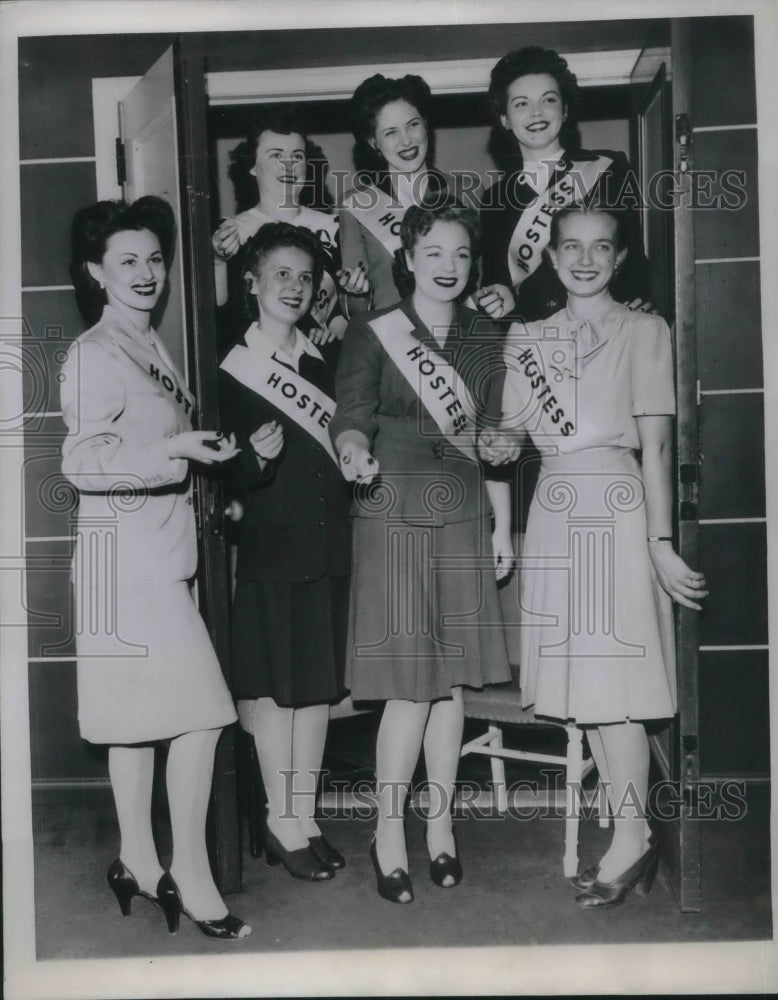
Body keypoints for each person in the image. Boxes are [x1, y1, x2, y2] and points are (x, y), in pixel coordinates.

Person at [481, 205, 708, 909]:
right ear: (549, 259)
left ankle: (632, 832)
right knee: (590, 692)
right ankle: (630, 828)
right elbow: (510, 435)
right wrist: (494, 445)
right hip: (553, 507)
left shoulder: (646, 330)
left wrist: (660, 542)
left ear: (618, 258)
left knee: (615, 687)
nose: (585, 260)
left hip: (614, 505)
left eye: (600, 248)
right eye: (571, 248)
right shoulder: (525, 336)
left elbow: (659, 445)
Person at [60, 196, 250, 940]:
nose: (146, 273)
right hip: (124, 567)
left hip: (155, 557)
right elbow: (83, 463)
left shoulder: (150, 345)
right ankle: (192, 876)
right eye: (126, 261)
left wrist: (209, 476)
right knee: (204, 717)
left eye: (154, 259)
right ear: (95, 273)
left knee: (135, 727)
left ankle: (138, 862)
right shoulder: (95, 353)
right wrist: (174, 453)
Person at [331, 199, 514, 903]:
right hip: (393, 508)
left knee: (454, 685)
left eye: (462, 254)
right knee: (410, 684)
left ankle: (441, 829)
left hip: (464, 511)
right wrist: (351, 452)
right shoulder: (374, 332)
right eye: (433, 252)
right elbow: (352, 416)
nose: (448, 266)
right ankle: (387, 833)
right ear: (407, 258)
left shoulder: (485, 334)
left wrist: (499, 522)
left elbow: (495, 437)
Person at [218, 222, 352, 882]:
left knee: (316, 690)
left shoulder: (324, 362)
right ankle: (279, 817)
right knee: (275, 689)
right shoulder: (229, 366)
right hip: (269, 546)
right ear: (253, 282)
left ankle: (305, 815)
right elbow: (214, 476)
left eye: (305, 277)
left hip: (327, 544)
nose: (295, 287)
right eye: (281, 274)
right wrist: (251, 460)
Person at [481, 46, 652, 322]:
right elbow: (497, 284)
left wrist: (637, 309)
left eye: (548, 100)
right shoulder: (494, 199)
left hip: (605, 329)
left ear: (565, 110)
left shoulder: (608, 169)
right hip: (537, 341)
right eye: (521, 103)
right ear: (505, 120)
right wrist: (499, 298)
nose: (536, 112)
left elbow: (632, 259)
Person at [338, 72, 513, 321]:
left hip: (459, 336)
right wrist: (356, 291)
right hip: (394, 345)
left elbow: (484, 276)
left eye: (413, 124)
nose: (406, 140)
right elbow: (355, 313)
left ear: (426, 124)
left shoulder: (468, 191)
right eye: (391, 133)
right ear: (373, 142)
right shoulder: (355, 205)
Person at [211, 105, 341, 353]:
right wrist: (217, 260)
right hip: (255, 369)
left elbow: (343, 313)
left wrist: (331, 337)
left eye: (297, 156)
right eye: (276, 156)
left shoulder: (335, 228)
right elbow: (217, 317)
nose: (289, 166)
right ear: (252, 166)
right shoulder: (229, 233)